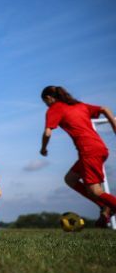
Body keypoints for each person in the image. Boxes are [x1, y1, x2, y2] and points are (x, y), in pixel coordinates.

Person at [40, 85, 116, 227]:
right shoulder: (79, 105)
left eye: (45, 102)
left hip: (89, 151)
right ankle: (105, 208)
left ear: (49, 98)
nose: (46, 105)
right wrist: (114, 126)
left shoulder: (55, 108)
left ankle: (109, 206)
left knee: (95, 191)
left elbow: (47, 132)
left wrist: (43, 148)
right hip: (99, 148)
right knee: (70, 179)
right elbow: (105, 109)